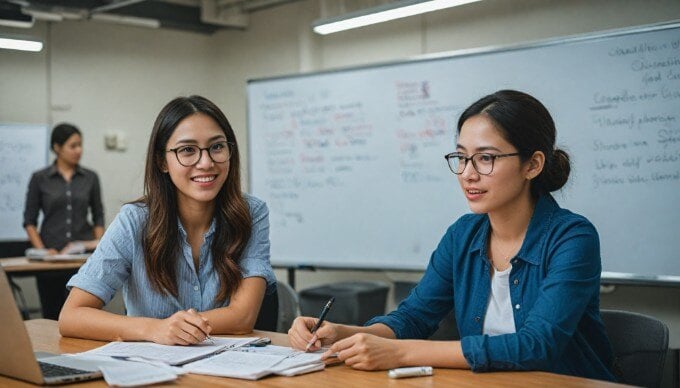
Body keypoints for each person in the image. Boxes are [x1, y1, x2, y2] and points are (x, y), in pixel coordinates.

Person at [289, 90, 616, 381]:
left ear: (532, 165)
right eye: (461, 157)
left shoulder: (572, 238)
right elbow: (414, 318)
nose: (468, 174)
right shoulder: (464, 234)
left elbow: (536, 345)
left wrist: (401, 353)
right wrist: (344, 334)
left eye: (486, 158)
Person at [59, 95, 275, 345]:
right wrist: (155, 329)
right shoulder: (135, 220)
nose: (206, 163)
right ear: (162, 161)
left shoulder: (252, 212)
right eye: (187, 150)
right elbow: (71, 316)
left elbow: (242, 317)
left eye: (217, 147)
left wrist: (177, 328)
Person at [23, 123, 105, 320]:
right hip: (49, 259)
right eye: (73, 145)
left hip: (82, 260)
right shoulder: (39, 178)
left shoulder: (90, 177)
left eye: (80, 145)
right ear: (57, 148)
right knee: (51, 316)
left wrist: (99, 247)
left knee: (84, 317)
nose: (79, 150)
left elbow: (98, 216)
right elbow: (29, 221)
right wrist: (43, 252)